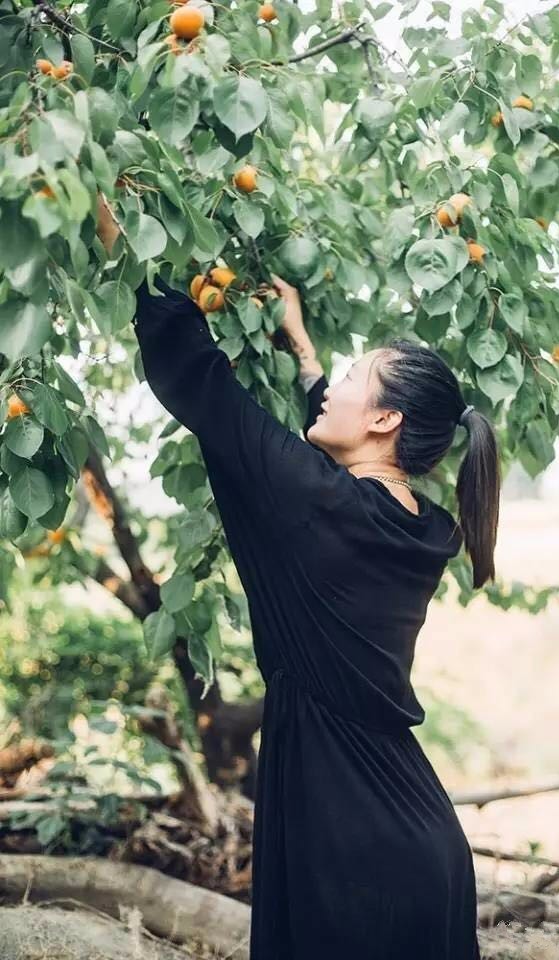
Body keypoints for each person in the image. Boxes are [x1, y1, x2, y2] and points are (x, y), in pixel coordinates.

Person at [96, 193, 499, 959]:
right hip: (415, 841)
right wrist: (310, 358)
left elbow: (202, 386)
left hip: (348, 845)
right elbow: (334, 470)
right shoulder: (418, 526)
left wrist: (131, 251)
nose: (337, 385)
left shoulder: (320, 503)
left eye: (354, 377)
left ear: (385, 423)